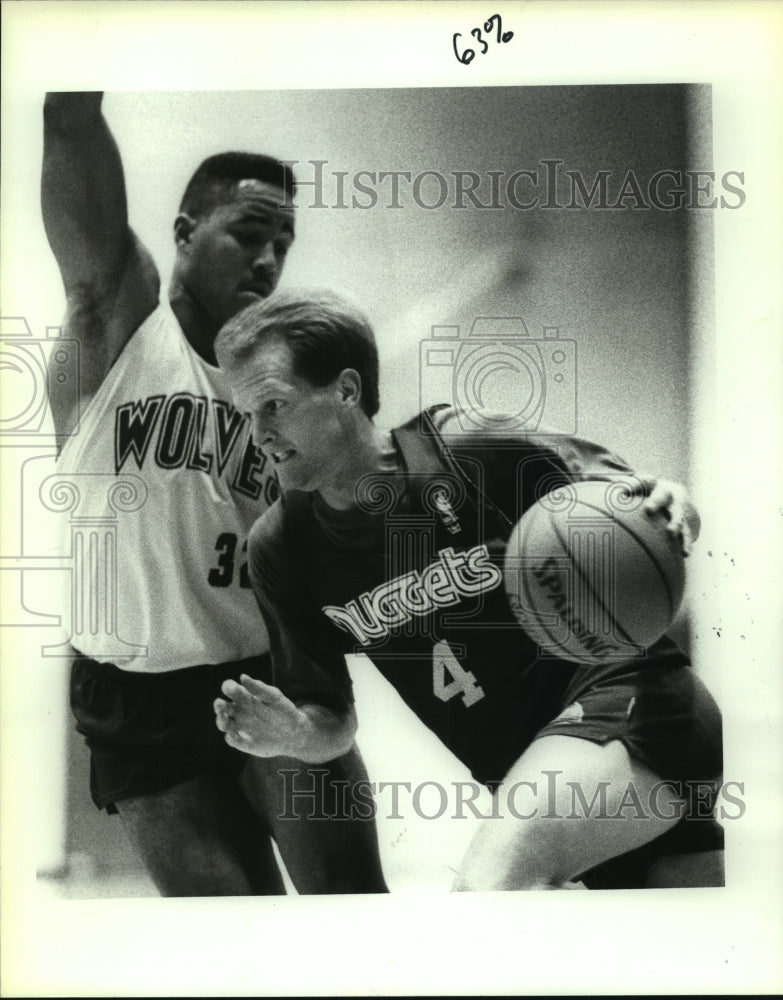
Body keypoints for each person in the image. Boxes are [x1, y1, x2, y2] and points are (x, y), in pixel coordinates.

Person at [213, 288, 724, 891]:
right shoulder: (282, 548)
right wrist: (298, 734)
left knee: (488, 887)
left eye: (274, 405)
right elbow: (333, 719)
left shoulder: (468, 447)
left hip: (634, 702)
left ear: (347, 390)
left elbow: (650, 506)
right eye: (248, 415)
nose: (260, 433)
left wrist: (676, 508)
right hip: (539, 769)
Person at [41, 93, 387, 896]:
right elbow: (68, 120)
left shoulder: (287, 382)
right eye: (249, 233)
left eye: (283, 244)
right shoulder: (118, 321)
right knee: (232, 936)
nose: (268, 260)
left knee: (355, 912)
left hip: (271, 667)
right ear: (185, 232)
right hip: (138, 692)